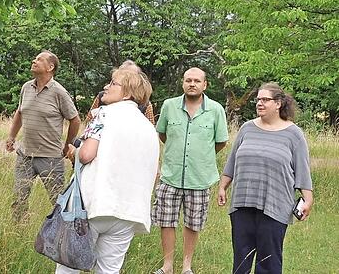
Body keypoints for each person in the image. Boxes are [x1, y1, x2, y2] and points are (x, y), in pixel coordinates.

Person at [55, 68, 159, 274]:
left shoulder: (103, 114)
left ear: (128, 92)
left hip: (95, 205)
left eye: (113, 83)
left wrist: (74, 151)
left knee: (68, 267)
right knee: (109, 270)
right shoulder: (149, 129)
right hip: (129, 212)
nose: (106, 87)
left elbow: (86, 155)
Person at [217, 82, 313, 274]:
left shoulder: (293, 134)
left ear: (278, 104)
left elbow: (302, 169)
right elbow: (233, 161)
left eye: (265, 99)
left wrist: (307, 199)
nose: (259, 103)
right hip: (242, 203)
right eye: (258, 99)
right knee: (241, 259)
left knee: (269, 261)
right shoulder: (246, 128)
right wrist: (222, 187)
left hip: (275, 205)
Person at [152, 67, 228, 274]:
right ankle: (167, 266)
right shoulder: (169, 106)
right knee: (166, 221)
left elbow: (220, 142)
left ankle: (187, 266)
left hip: (200, 177)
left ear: (205, 85)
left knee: (193, 223)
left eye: (196, 81)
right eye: (188, 80)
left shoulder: (215, 109)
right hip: (171, 175)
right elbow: (163, 134)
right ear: (182, 83)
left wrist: (200, 155)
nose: (192, 84)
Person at [5, 51, 80, 222]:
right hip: (25, 155)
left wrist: (67, 146)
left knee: (58, 202)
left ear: (50, 67)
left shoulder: (59, 92)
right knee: (19, 199)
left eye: (39, 59)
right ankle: (17, 233)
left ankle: (62, 235)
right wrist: (11, 137)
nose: (34, 61)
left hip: (50, 157)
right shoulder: (26, 87)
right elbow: (20, 112)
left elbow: (75, 120)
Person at [85, 60, 155, 125]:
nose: (106, 87)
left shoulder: (145, 105)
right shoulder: (102, 97)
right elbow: (88, 122)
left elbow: (151, 129)